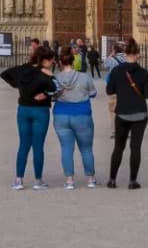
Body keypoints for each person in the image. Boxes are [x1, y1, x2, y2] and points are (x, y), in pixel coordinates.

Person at [1, 43, 58, 190]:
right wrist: (46, 92)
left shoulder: (23, 69)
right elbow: (57, 88)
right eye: (52, 60)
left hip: (24, 109)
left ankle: (18, 179)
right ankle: (38, 180)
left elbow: (4, 74)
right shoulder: (45, 73)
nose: (53, 63)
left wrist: (17, 85)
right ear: (45, 60)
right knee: (38, 146)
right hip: (40, 111)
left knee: (24, 145)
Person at [104, 38, 148, 189]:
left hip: (122, 113)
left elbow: (109, 90)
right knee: (135, 147)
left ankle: (112, 179)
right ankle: (132, 181)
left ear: (125, 54)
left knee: (118, 146)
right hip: (139, 113)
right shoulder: (143, 73)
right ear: (138, 54)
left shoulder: (117, 71)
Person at [51, 44, 99, 189]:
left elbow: (52, 96)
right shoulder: (84, 77)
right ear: (73, 61)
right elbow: (93, 93)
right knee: (86, 149)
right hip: (81, 114)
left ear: (60, 62)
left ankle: (69, 180)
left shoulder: (55, 78)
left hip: (61, 114)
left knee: (66, 148)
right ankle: (90, 179)